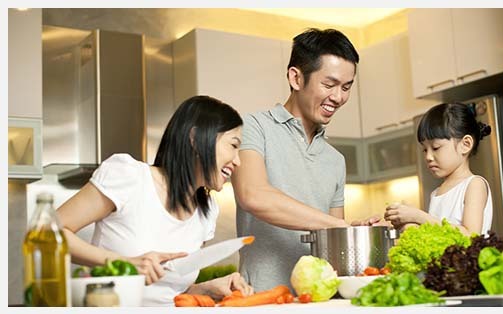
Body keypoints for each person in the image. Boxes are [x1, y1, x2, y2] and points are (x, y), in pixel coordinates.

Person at [56, 95, 254, 306]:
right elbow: (45, 234)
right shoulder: (129, 177)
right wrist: (126, 263)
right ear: (195, 139)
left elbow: (167, 291)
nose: (238, 161)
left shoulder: (207, 212)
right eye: (233, 146)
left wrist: (206, 289)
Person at [231, 28, 362, 292]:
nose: (338, 97)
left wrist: (353, 230)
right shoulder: (253, 127)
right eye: (329, 84)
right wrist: (338, 224)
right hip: (260, 298)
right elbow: (252, 194)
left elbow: (333, 237)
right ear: (296, 78)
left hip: (318, 300)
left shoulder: (336, 160)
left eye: (346, 87)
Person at [384, 102, 493, 236]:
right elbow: (439, 235)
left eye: (436, 148)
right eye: (425, 149)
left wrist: (418, 216)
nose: (428, 157)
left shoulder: (474, 184)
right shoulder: (436, 193)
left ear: (465, 145)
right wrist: (411, 225)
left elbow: (470, 235)